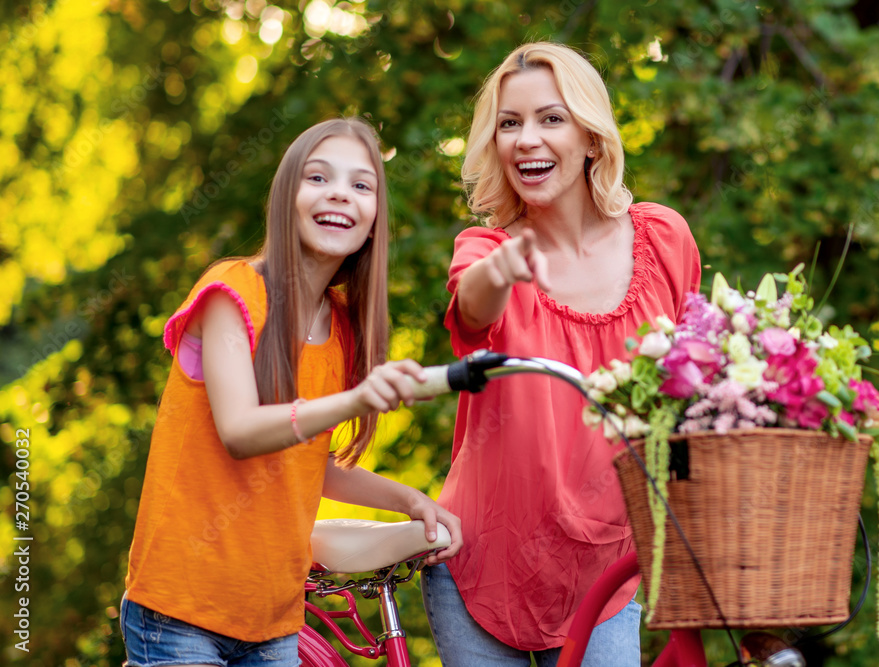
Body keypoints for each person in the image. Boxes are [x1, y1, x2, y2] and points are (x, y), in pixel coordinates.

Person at [121, 117, 462, 667]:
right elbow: (241, 432)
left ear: (374, 220)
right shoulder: (232, 292)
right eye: (318, 177)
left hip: (275, 620)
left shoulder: (346, 326)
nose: (339, 195)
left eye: (361, 185)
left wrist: (410, 500)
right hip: (179, 612)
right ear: (287, 196)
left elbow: (306, 462)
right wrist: (356, 400)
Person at [420, 42, 701, 666]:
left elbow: (692, 383)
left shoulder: (663, 240)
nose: (526, 140)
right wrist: (504, 268)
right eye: (509, 124)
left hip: (607, 564)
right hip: (481, 559)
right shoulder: (484, 250)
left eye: (551, 119)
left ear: (592, 137)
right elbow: (472, 308)